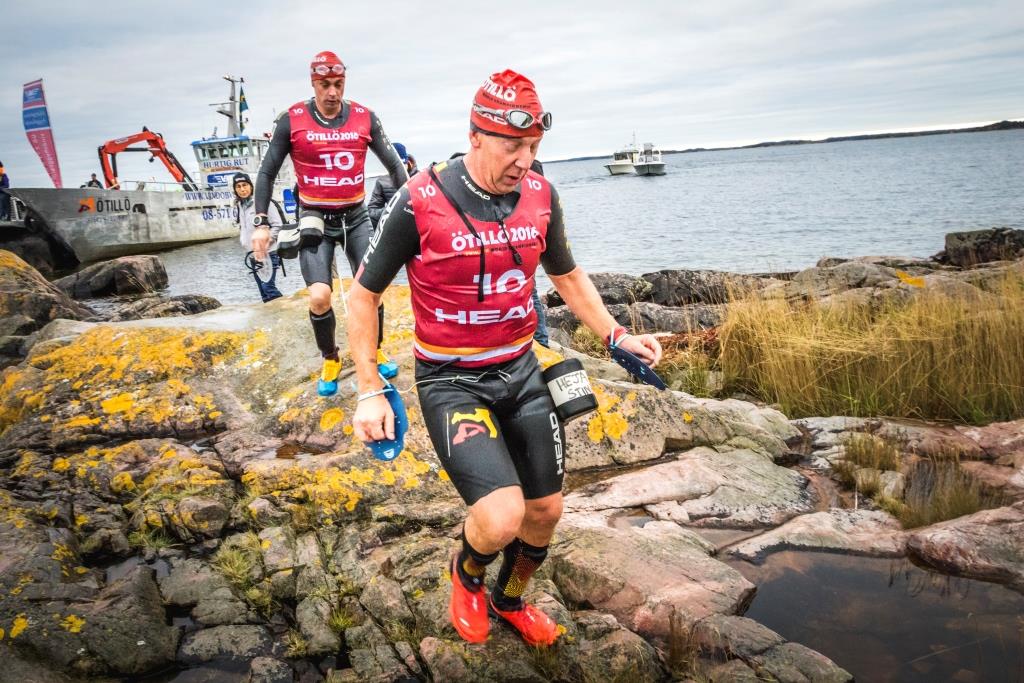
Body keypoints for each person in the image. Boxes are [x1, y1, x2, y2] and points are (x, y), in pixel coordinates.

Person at [347, 70, 662, 647]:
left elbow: (565, 274)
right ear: (475, 135)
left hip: (521, 370)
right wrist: (369, 387)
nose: (525, 160)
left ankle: (509, 599)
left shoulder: (541, 195)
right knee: (499, 518)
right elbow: (363, 296)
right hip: (450, 379)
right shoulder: (421, 199)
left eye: (535, 147)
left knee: (544, 512)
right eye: (512, 145)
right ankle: (465, 573)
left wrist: (616, 335)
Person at [252, 50, 407, 396]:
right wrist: (261, 222)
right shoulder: (291, 120)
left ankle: (375, 349)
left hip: (355, 215)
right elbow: (266, 172)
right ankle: (331, 357)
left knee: (372, 290)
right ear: (313, 83)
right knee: (320, 296)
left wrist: (416, 205)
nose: (332, 92)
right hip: (314, 218)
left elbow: (396, 167)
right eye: (325, 85)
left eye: (338, 84)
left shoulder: (365, 118)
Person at [234, 171, 284, 302]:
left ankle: (281, 313)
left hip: (268, 253)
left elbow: (278, 226)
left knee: (268, 288)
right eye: (238, 186)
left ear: (251, 186)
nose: (242, 189)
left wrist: (266, 242)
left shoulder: (263, 203)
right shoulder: (240, 206)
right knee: (263, 291)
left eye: (244, 185)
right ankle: (272, 317)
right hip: (252, 255)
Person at [367, 142, 418, 229]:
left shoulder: (421, 178)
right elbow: (371, 212)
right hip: (395, 227)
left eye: (402, 165)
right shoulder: (382, 182)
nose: (399, 170)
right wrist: (391, 211)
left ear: (408, 162)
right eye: (394, 167)